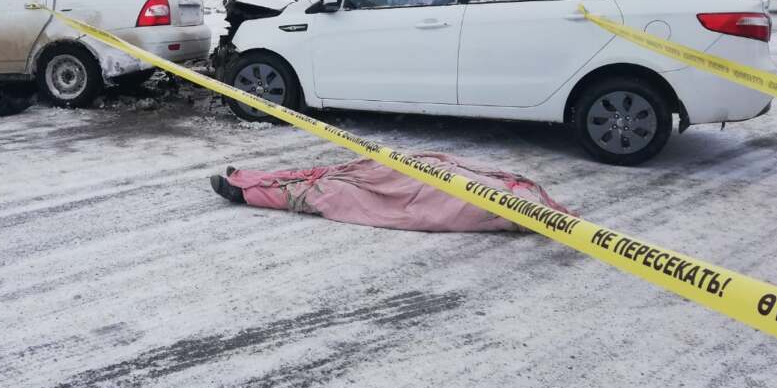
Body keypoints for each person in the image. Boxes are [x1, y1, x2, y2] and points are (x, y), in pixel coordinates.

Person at [208, 152, 569, 233]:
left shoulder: (520, 206)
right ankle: (249, 177)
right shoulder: (518, 186)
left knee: (332, 191)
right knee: (344, 171)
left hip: (420, 194)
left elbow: (437, 210)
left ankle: (247, 191)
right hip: (420, 173)